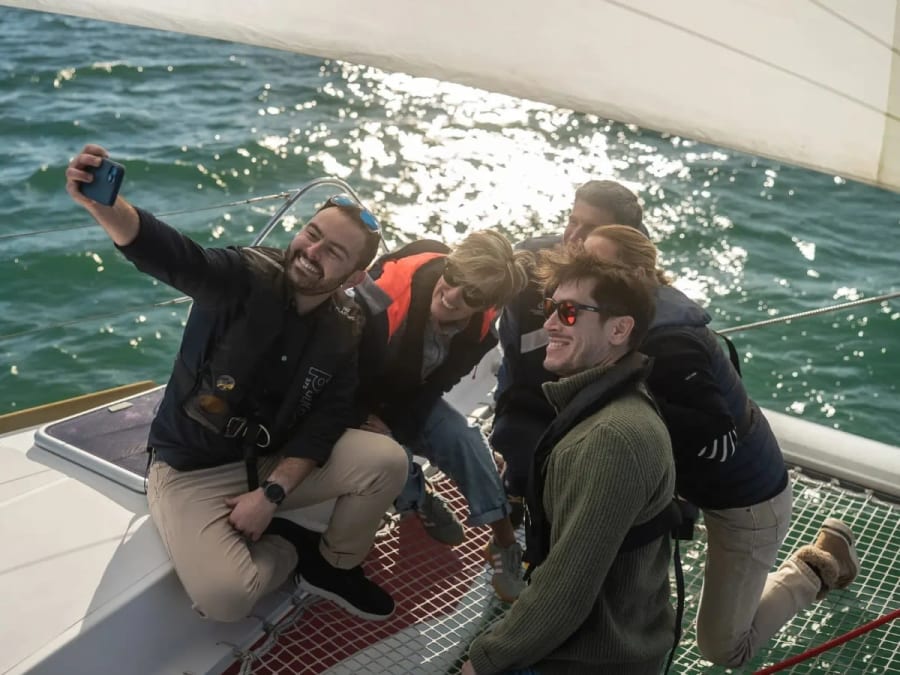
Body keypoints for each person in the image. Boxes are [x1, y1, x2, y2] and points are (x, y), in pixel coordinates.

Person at [65, 144, 408, 623]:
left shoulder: (346, 326)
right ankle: (290, 548)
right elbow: (176, 257)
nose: (312, 252)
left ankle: (331, 565)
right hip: (191, 470)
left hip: (273, 460)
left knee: (388, 460)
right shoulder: (242, 278)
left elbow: (327, 419)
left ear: (353, 277)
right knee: (226, 599)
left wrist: (272, 495)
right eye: (312, 234)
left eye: (333, 253)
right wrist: (106, 207)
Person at [582, 224, 861, 667]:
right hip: (724, 488)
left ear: (638, 273)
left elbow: (718, 438)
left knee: (724, 649)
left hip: (748, 505)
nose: (587, 272)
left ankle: (821, 563)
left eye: (599, 265)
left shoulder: (670, 340)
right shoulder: (642, 317)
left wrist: (626, 396)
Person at [463, 253, 676, 675]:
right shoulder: (608, 408)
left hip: (585, 661)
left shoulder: (610, 437)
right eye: (550, 309)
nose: (550, 324)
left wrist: (484, 661)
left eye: (570, 312)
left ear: (619, 329)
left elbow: (568, 588)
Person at [353, 231, 532, 601]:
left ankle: (503, 542)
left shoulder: (477, 332)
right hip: (352, 400)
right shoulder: (387, 295)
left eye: (473, 295)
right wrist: (375, 424)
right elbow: (338, 366)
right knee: (390, 458)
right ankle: (417, 495)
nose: (451, 295)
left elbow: (433, 387)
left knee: (464, 438)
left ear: (490, 304)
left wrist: (396, 422)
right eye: (453, 275)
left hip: (403, 399)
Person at [491, 180, 648, 524]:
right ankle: (512, 517)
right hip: (528, 395)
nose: (573, 237)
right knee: (516, 454)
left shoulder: (638, 287)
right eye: (572, 221)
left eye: (590, 229)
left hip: (593, 409)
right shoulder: (529, 263)